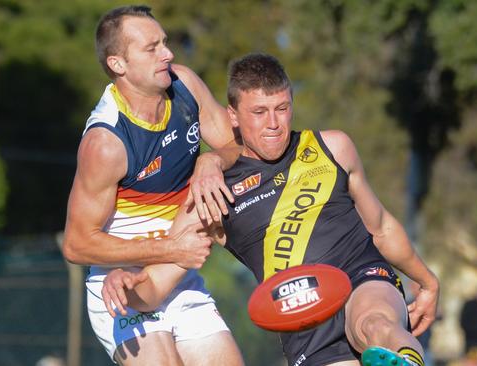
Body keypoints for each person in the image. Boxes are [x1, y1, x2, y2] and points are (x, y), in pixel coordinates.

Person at [103, 52, 440, 366]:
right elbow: (158, 283)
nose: (274, 123)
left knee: (373, 322)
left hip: (362, 276)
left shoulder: (332, 146)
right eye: (259, 112)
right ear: (233, 116)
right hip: (300, 315)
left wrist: (426, 282)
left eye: (282, 108)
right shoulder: (213, 193)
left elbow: (380, 227)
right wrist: (128, 285)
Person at [61, 5, 244, 366]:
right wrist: (170, 249)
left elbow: (236, 145)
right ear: (118, 64)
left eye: (165, 42)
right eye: (152, 48)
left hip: (179, 277)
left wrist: (212, 159)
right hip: (121, 286)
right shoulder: (106, 142)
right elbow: (76, 244)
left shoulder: (185, 86)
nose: (168, 54)